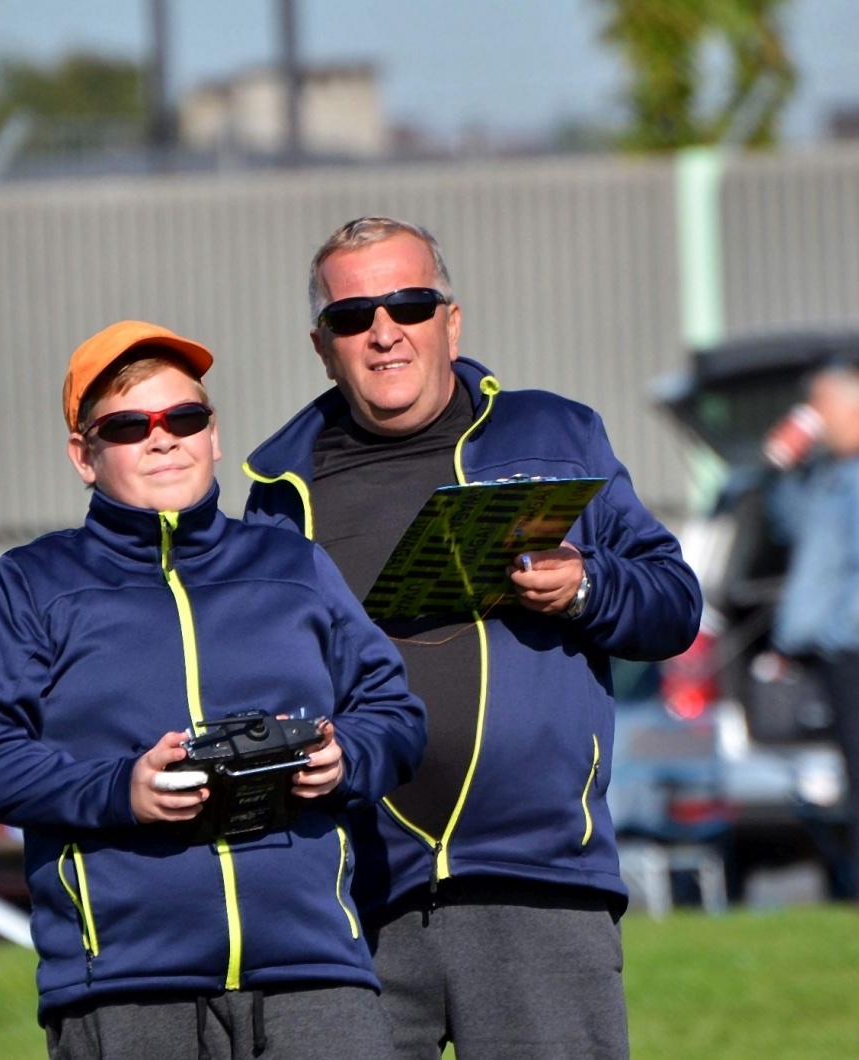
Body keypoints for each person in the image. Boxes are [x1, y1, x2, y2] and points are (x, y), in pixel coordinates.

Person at [242, 217, 702, 1059]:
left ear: (451, 320)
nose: (384, 332)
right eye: (354, 317)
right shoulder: (280, 491)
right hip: (357, 897)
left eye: (410, 304)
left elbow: (674, 605)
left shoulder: (555, 435)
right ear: (321, 345)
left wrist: (585, 587)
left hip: (539, 881)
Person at [0, 320, 427, 1059]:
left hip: (315, 972)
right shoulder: (37, 584)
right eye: (130, 426)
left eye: (184, 417)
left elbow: (395, 711)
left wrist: (345, 757)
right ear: (85, 457)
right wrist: (119, 790)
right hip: (125, 983)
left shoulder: (292, 564)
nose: (163, 438)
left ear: (214, 435)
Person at [766, 366, 859, 903]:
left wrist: (832, 633)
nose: (811, 414)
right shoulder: (830, 474)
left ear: (856, 412)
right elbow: (791, 528)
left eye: (820, 404)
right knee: (856, 769)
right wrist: (783, 468)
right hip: (840, 646)